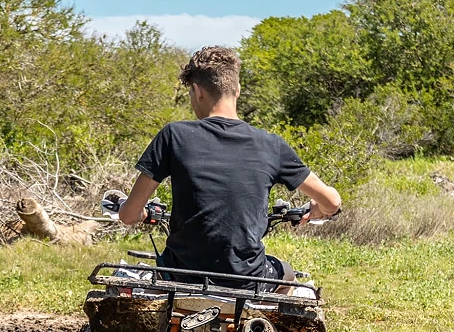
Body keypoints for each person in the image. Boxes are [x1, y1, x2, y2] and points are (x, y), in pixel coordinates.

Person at [118, 46, 341, 292]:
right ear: (237, 90)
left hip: (179, 274)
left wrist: (140, 214)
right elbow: (332, 201)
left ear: (197, 90)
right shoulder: (271, 145)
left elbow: (128, 215)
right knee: (286, 272)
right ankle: (258, 323)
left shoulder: (174, 136)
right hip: (248, 279)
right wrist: (319, 209)